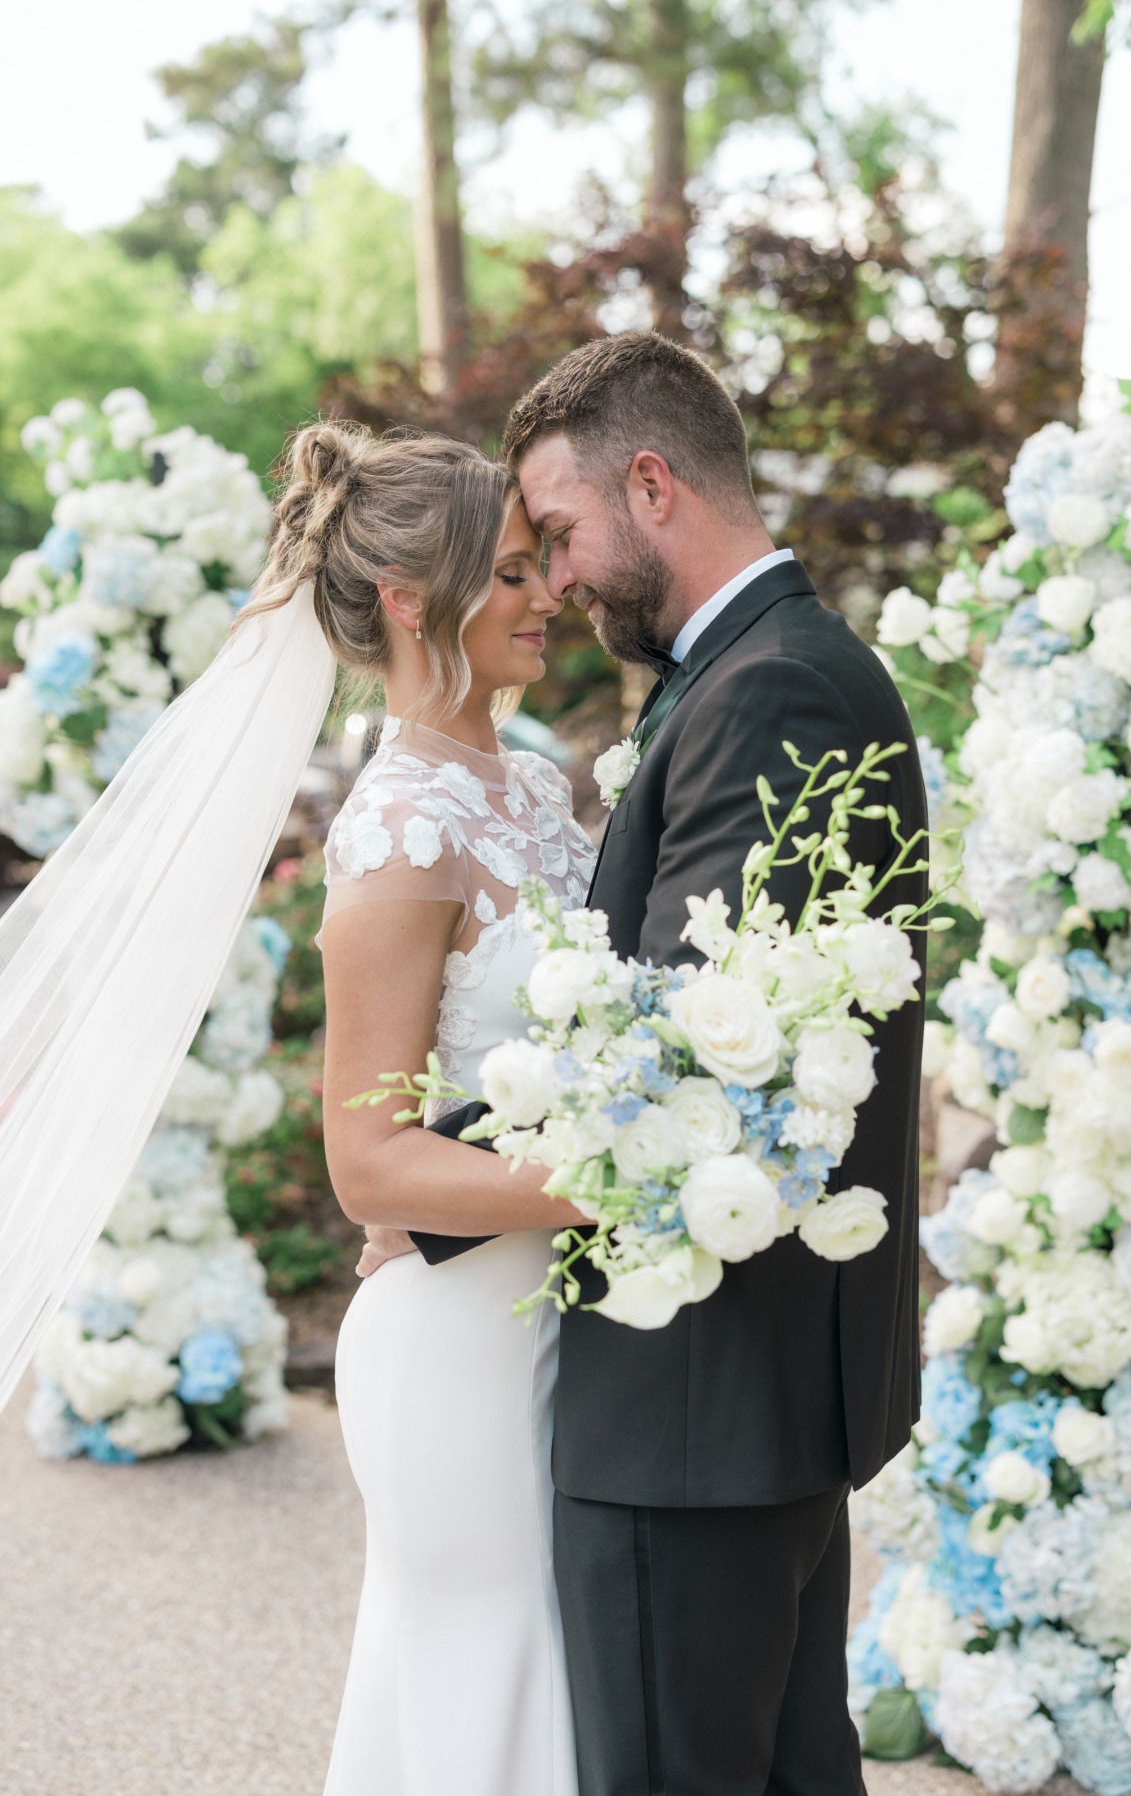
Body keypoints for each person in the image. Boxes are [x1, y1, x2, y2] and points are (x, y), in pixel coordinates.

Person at [367, 332, 928, 1796]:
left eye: (556, 533)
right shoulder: (761, 673)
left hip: (694, 1408)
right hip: (729, 1396)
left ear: (654, 483)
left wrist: (420, 1181)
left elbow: (685, 1062)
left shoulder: (767, 693)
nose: (550, 579)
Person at [301, 425, 597, 1795]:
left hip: (564, 1320)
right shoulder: (398, 825)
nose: (552, 597)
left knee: (561, 1677)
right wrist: (618, 1177)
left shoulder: (535, 788)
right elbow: (368, 1161)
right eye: (517, 572)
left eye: (546, 569)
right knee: (480, 1679)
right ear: (416, 600)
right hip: (455, 1342)